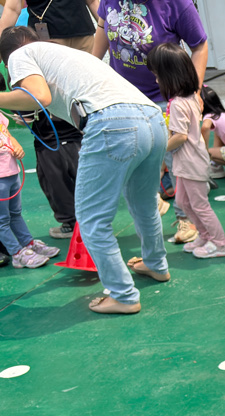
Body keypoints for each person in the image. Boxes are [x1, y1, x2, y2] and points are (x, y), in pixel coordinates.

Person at [0, 26, 169, 314]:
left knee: (91, 219)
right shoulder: (64, 54)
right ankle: (156, 265)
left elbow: (38, 95)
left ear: (6, 59)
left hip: (112, 122)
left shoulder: (19, 55)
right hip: (152, 117)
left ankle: (124, 296)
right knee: (144, 204)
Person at [90, 0, 209, 244]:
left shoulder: (176, 4)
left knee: (177, 160)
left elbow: (199, 46)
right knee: (131, 154)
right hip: (123, 95)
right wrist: (91, 69)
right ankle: (152, 209)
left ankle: (186, 217)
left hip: (166, 97)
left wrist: (194, 91)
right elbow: (102, 27)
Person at [0, 0, 95, 239]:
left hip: (51, 134)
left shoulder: (26, 60)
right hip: (82, 37)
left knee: (50, 143)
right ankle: (89, 217)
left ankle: (71, 221)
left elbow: (12, 8)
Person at [148, 43, 225, 259]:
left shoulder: (178, 104)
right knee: (184, 202)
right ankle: (205, 235)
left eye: (158, 76)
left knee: (200, 205)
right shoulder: (192, 96)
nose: (156, 81)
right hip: (186, 162)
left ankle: (221, 243)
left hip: (191, 162)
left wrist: (158, 149)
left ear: (169, 75)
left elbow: (181, 136)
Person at [0, 111, 60, 267]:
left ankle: (28, 243)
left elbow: (6, 134)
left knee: (15, 213)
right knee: (2, 220)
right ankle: (16, 253)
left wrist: (16, 145)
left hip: (12, 173)